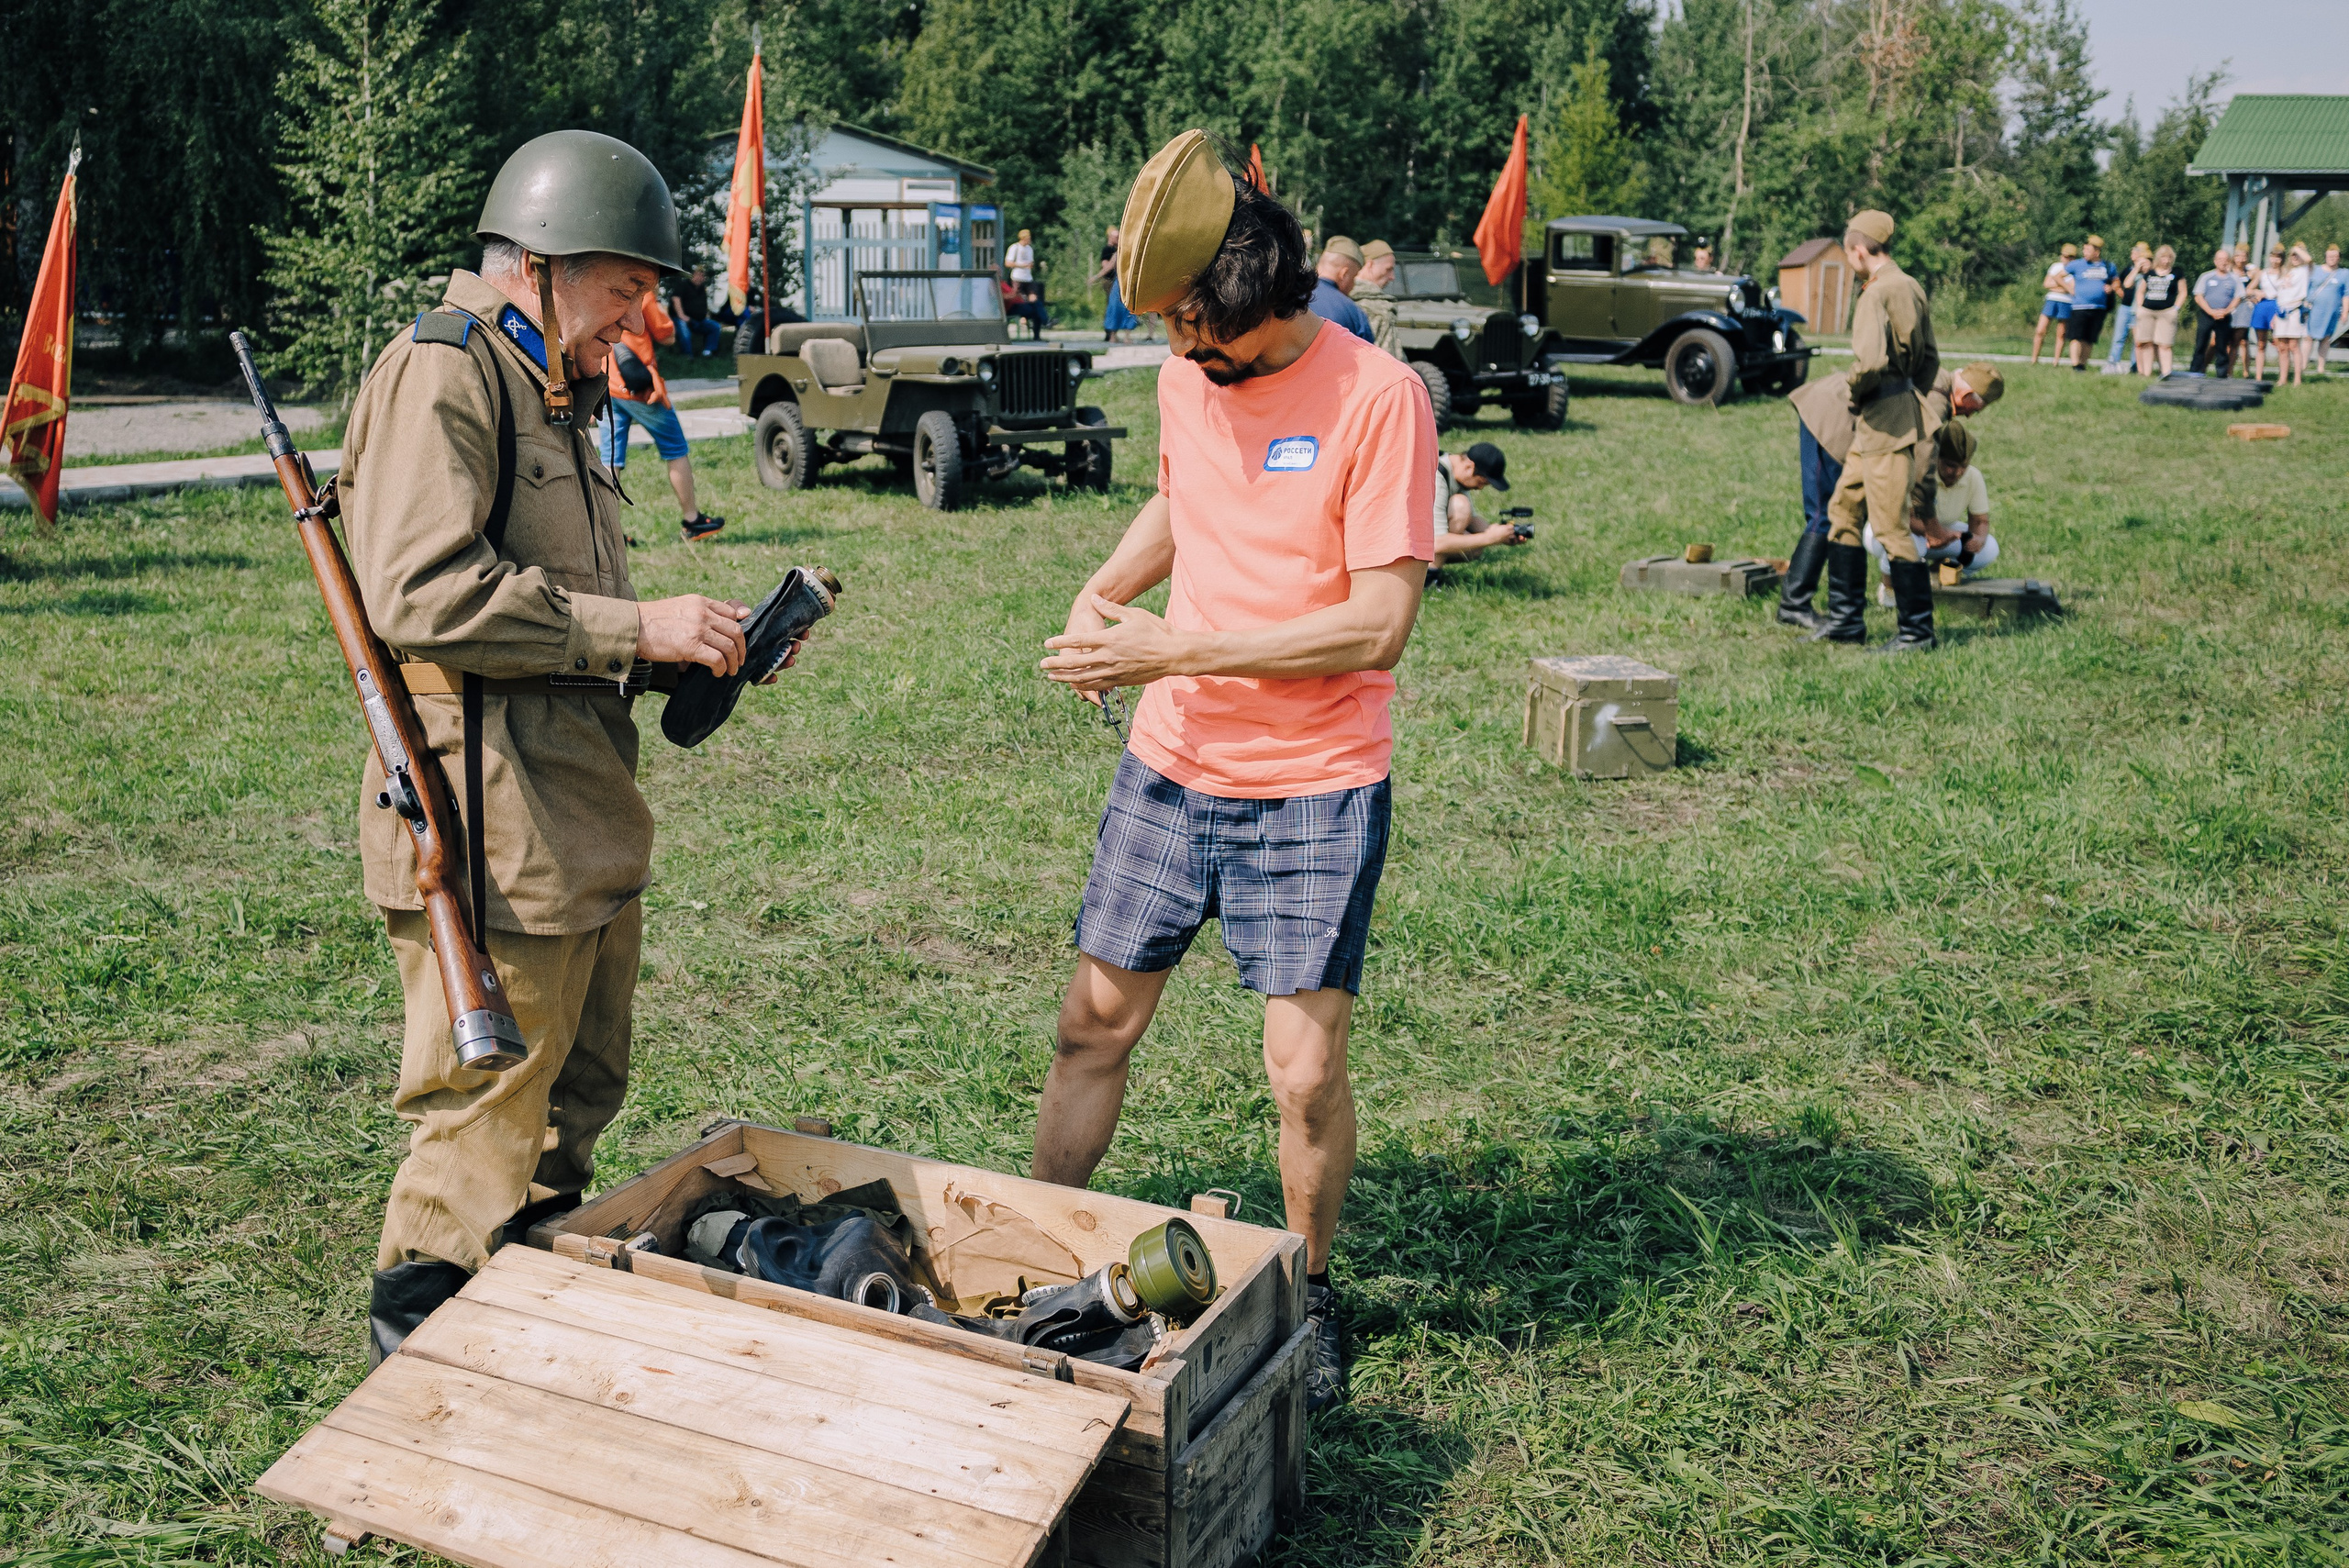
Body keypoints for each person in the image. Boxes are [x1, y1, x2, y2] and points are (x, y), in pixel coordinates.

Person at [345, 130, 769, 1363]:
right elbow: (424, 592)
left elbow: (555, 612)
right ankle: (410, 1393)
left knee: (571, 1099)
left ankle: (509, 1340)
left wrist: (672, 648)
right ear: (538, 264)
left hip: (575, 813)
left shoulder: (552, 389)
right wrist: (634, 622)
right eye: (625, 286)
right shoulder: (447, 374)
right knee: (483, 1116)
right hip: (486, 824)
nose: (641, 317)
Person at [1033, 131, 1434, 1414]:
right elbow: (1181, 501)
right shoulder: (1184, 379)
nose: (1187, 358)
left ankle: (1309, 1299)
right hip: (1172, 765)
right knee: (1092, 1023)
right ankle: (1036, 1259)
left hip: (1316, 778)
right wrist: (1108, 595)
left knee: (1304, 1075)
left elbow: (1377, 623)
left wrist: (1181, 644)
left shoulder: (1380, 397)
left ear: (1276, 303)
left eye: (1207, 337)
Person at [1776, 359, 2002, 629]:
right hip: (1829, 416)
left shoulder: (1937, 380)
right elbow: (1924, 459)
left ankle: (1842, 605)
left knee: (1843, 514)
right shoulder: (1937, 398)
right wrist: (1931, 525)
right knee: (1823, 516)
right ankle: (1793, 605)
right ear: (1965, 395)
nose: (1969, 416)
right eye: (1974, 408)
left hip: (1846, 419)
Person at [1803, 209, 1940, 651]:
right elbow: (1931, 359)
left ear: (1860, 250)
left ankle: (1917, 633)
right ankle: (1847, 622)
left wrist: (1857, 393)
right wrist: (1908, 395)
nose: (1850, 260)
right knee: (1843, 513)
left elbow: (1870, 362)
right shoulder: (1911, 285)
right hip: (1885, 419)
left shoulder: (1876, 294)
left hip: (1881, 421)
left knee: (1891, 529)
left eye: (1849, 253)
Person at [600, 290, 725, 543]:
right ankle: (693, 521)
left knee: (609, 458)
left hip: (608, 382)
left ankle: (607, 532)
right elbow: (666, 334)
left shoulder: (603, 284)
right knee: (675, 448)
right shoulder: (640, 291)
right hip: (641, 388)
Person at [1866, 420, 1998, 600]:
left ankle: (1934, 574)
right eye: (1951, 465)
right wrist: (1940, 533)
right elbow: (1906, 519)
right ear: (1936, 457)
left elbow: (1980, 521)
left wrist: (1978, 539)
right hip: (1894, 530)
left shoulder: (1973, 477)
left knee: (1989, 549)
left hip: (1938, 534)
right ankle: (1889, 587)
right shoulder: (1918, 472)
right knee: (1912, 545)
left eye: (1963, 466)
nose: (1958, 472)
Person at [1430, 443, 1530, 565]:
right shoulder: (1436, 475)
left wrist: (1504, 534)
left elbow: (1471, 518)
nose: (1480, 488)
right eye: (1482, 482)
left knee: (1475, 549)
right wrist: (1490, 538)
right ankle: (1430, 575)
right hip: (1405, 539)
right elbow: (1437, 543)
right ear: (1469, 467)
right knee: (1460, 506)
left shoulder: (1457, 472)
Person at [1309, 235, 1375, 343]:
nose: (1353, 285)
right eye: (1354, 278)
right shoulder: (1355, 314)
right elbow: (1367, 357)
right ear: (1344, 274)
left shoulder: (1286, 293)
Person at [2064, 236, 2114, 370]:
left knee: (2089, 338)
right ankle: (2075, 364)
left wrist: (2111, 288)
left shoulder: (2108, 266)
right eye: (2084, 249)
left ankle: (2083, 364)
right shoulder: (2077, 264)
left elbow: (2116, 281)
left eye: (2088, 250)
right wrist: (2069, 288)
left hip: (2098, 307)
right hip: (2080, 306)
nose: (2085, 252)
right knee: (2076, 336)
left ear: (2097, 252)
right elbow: (2058, 276)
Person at [2190, 247, 2243, 376]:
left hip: (2224, 316)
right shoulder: (2206, 277)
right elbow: (2198, 296)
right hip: (2206, 315)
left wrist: (2226, 311)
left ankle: (2221, 374)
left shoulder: (2234, 279)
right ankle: (2195, 372)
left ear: (2229, 261)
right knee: (2201, 344)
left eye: (2225, 259)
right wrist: (2210, 311)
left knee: (2222, 346)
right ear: (2215, 261)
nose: (2222, 262)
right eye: (2219, 259)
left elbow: (2238, 297)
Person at [2132, 245, 2182, 377]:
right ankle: (2146, 374)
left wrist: (2176, 308)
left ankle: (2166, 373)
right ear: (2158, 258)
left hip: (2167, 312)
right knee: (2146, 342)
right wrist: (2140, 306)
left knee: (2165, 344)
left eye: (2169, 257)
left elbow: (2183, 292)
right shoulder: (2150, 273)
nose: (2166, 260)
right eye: (2163, 257)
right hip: (2147, 311)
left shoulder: (2177, 273)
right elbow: (2140, 291)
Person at [2103, 242, 2152, 373]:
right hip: (2126, 306)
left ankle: (2135, 365)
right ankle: (2113, 363)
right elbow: (2123, 283)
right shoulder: (2129, 269)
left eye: (2134, 252)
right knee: (2119, 336)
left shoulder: (2150, 271)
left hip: (2141, 308)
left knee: (2138, 340)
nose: (2132, 254)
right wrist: (2120, 292)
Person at [1353, 240, 1403, 358]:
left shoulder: (1338, 296)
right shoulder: (1381, 306)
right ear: (1369, 265)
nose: (1392, 277)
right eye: (1388, 269)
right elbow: (1390, 357)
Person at [2270, 241, 2310, 387]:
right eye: (2292, 255)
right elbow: (2280, 294)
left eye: (2298, 254)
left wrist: (2296, 248)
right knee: (2282, 346)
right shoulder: (2286, 271)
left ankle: (2297, 379)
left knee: (2294, 346)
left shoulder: (2305, 270)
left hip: (2294, 309)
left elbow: (2309, 260)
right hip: (2281, 311)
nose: (2295, 257)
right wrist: (2275, 315)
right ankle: (2283, 378)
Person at [2030, 243, 2076, 364]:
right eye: (2064, 256)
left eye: (2069, 257)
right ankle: (2034, 359)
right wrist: (2064, 287)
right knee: (2040, 330)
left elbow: (2073, 289)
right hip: (2051, 300)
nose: (2065, 259)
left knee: (2061, 333)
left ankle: (2056, 361)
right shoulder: (2055, 266)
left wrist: (2057, 285)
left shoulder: (2075, 270)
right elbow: (2047, 284)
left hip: (2066, 302)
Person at [1096, 224, 1141, 342]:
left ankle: (1121, 336)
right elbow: (1107, 267)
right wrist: (1096, 277)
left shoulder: (1124, 252)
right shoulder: (1115, 252)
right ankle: (1114, 336)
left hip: (1125, 283)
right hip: (1119, 283)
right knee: (1116, 308)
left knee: (1125, 308)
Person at [669, 265, 723, 356]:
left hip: (699, 320)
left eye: (702, 276)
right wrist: (681, 315)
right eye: (699, 275)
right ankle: (687, 356)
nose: (701, 278)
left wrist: (705, 315)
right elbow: (675, 299)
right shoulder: (684, 285)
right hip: (683, 319)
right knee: (684, 330)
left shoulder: (702, 289)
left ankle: (707, 352)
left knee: (715, 326)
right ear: (692, 275)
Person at [2249, 242, 2285, 381]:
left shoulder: (2285, 273)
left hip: (2277, 305)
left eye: (2278, 257)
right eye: (2273, 257)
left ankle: (2282, 377)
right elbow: (2249, 289)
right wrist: (2257, 292)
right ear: (2269, 258)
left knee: (2279, 343)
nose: (2275, 260)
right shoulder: (2262, 273)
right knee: (2261, 343)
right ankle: (2258, 376)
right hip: (2263, 306)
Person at [2308, 244, 2343, 378]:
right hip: (2313, 309)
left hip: (2331, 311)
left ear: (2339, 258)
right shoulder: (2315, 269)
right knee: (2308, 337)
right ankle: (2302, 365)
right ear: (2325, 257)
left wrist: (2345, 311)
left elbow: (2346, 294)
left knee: (2326, 338)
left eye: (2335, 256)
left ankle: (2320, 367)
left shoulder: (2344, 273)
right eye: (2330, 256)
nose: (2332, 258)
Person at [2229, 243, 2259, 377]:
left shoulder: (2250, 272)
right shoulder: (2229, 271)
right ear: (2234, 257)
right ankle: (2229, 370)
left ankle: (2246, 370)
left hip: (2245, 310)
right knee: (2230, 342)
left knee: (2243, 341)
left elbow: (2252, 286)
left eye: (2244, 256)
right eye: (2238, 256)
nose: (2241, 259)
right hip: (2231, 308)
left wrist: (2250, 292)